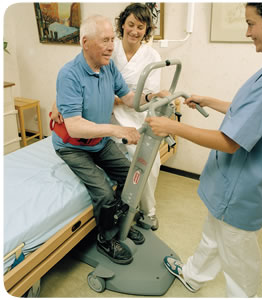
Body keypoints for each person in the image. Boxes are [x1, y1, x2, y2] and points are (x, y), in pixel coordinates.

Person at [146, 3, 262, 297]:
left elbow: (230, 141)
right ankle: (193, 275)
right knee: (213, 234)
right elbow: (250, 113)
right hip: (234, 182)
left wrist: (172, 127)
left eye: (252, 24)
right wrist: (209, 100)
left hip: (241, 186)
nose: (248, 32)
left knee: (238, 256)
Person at [51, 15, 166, 265]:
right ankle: (106, 238)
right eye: (105, 40)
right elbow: (75, 126)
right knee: (104, 194)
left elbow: (127, 97)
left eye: (112, 39)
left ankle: (120, 222)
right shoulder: (69, 75)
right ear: (85, 42)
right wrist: (117, 131)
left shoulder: (107, 67)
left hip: (98, 142)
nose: (111, 46)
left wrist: (153, 97)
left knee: (132, 175)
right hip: (73, 147)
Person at [111, 3, 161, 230]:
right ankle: (124, 208)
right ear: (123, 24)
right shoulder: (110, 48)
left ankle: (148, 210)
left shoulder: (152, 55)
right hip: (109, 115)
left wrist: (119, 98)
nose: (134, 31)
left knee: (149, 160)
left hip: (138, 114)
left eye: (140, 27)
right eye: (130, 24)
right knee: (129, 157)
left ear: (146, 30)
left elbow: (149, 94)